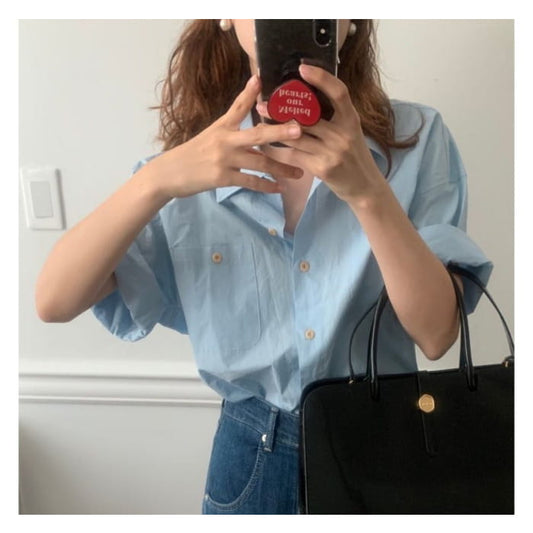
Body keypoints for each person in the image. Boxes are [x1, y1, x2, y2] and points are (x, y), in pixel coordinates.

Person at [35, 19, 492, 514]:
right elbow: (54, 302)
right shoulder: (188, 171)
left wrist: (368, 192)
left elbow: (437, 335)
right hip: (251, 457)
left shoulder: (417, 139)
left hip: (384, 446)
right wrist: (156, 181)